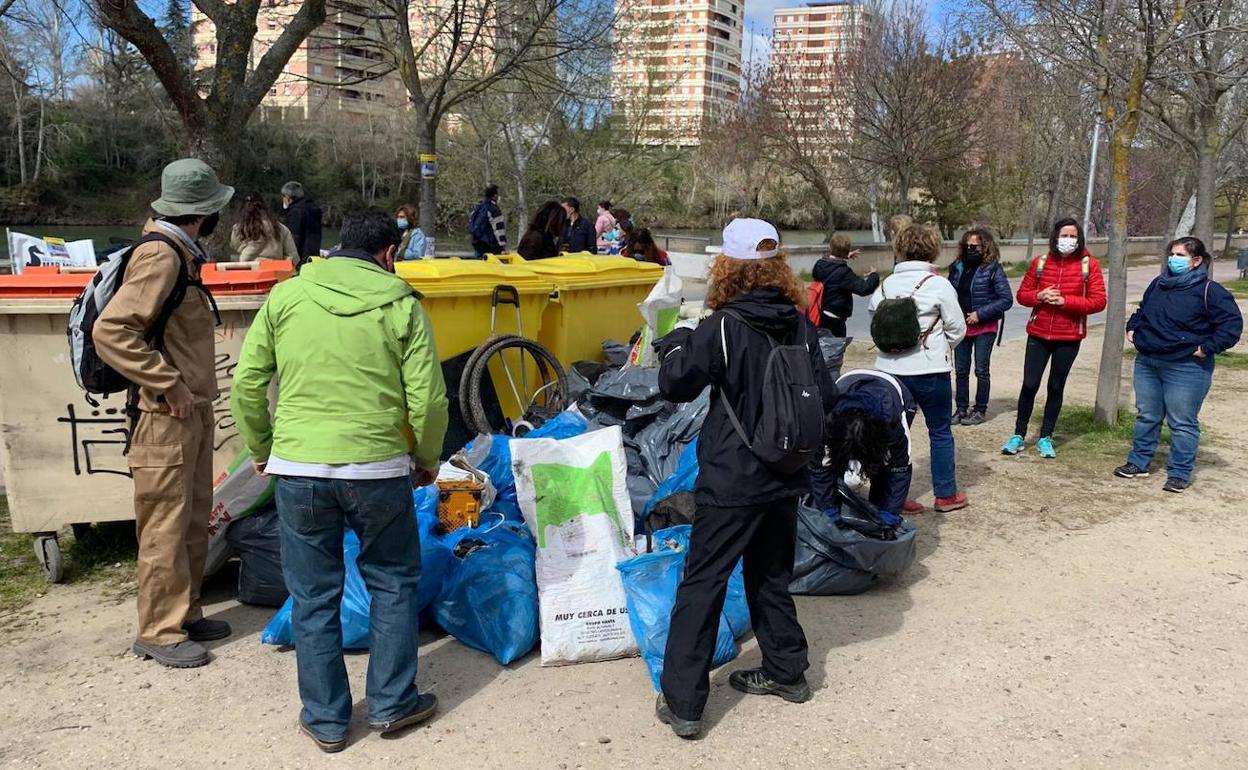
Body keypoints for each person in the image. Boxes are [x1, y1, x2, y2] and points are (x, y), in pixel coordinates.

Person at [231, 208, 449, 752]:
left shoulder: (286, 297)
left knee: (312, 594)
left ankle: (327, 720)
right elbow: (429, 400)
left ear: (334, 248)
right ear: (390, 253)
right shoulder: (402, 305)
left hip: (299, 469)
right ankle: (393, 703)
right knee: (393, 582)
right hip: (377, 468)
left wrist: (263, 450)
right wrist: (425, 459)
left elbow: (246, 384)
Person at [652, 218, 836, 739]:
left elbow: (677, 386)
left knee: (704, 581)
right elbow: (826, 392)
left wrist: (675, 348)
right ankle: (787, 671)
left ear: (727, 267)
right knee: (770, 573)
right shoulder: (800, 323)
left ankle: (684, 703)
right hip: (785, 470)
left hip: (733, 476)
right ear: (778, 267)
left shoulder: (723, 326)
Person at [94, 158, 234, 669]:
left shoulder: (179, 252)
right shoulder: (161, 256)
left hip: (186, 411)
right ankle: (159, 630)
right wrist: (167, 382)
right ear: (204, 212)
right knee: (165, 526)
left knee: (193, 518)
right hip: (163, 414)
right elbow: (111, 331)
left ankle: (186, 612)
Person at [1115, 236, 1243, 493]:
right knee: (1147, 415)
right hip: (1148, 362)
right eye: (1172, 254)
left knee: (1182, 422)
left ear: (1196, 261)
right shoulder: (1159, 284)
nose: (1174, 259)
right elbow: (1143, 311)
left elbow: (1231, 327)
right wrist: (1133, 329)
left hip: (1186, 367)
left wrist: (1205, 348)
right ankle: (1139, 462)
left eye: (1181, 255)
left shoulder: (1211, 291)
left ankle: (1179, 472)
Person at [867, 222, 969, 513]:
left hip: (890, 371)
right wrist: (936, 346)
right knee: (939, 431)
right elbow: (957, 328)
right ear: (933, 249)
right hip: (929, 370)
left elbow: (875, 319)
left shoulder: (885, 284)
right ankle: (946, 495)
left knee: (894, 435)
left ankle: (890, 496)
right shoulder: (938, 285)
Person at [1002, 218, 1107, 459]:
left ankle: (1046, 437)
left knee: (1055, 386)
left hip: (1068, 335)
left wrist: (1066, 302)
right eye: (1064, 235)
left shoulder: (1089, 265)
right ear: (1054, 237)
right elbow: (1022, 295)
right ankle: (1018, 434)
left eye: (1072, 236)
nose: (1067, 240)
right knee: (1029, 384)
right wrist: (1040, 295)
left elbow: (1098, 301)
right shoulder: (1040, 262)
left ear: (1079, 239)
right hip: (1038, 333)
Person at [810, 369, 916, 515]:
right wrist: (828, 509)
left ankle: (878, 509)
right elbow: (820, 467)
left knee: (883, 470)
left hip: (895, 390)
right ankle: (837, 504)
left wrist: (890, 513)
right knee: (833, 469)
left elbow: (900, 467)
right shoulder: (827, 420)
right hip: (848, 381)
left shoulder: (892, 421)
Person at [948, 228, 1014, 425]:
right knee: (960, 370)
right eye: (967, 245)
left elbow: (1006, 299)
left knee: (981, 370)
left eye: (975, 246)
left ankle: (980, 409)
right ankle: (961, 408)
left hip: (984, 327)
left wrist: (980, 314)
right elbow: (948, 293)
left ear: (985, 247)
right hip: (961, 326)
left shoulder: (993, 269)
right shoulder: (957, 267)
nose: (970, 249)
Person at [811, 233, 879, 337]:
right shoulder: (844, 273)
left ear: (830, 247)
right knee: (835, 349)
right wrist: (874, 275)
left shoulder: (820, 265)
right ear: (847, 250)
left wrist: (843, 257)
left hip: (819, 315)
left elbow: (831, 263)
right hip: (835, 320)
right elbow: (864, 288)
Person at [230, 192, 298, 261]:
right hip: (275, 268)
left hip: (248, 268)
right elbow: (293, 257)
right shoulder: (281, 228)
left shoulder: (237, 229)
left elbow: (235, 249)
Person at [281, 181, 324, 267]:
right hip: (313, 257)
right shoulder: (313, 209)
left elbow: (293, 239)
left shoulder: (296, 212)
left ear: (288, 198)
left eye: (283, 197)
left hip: (300, 260)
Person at [469, 184, 506, 259]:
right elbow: (499, 229)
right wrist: (502, 247)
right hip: (491, 246)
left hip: (477, 243)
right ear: (495, 196)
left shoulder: (478, 207)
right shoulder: (494, 209)